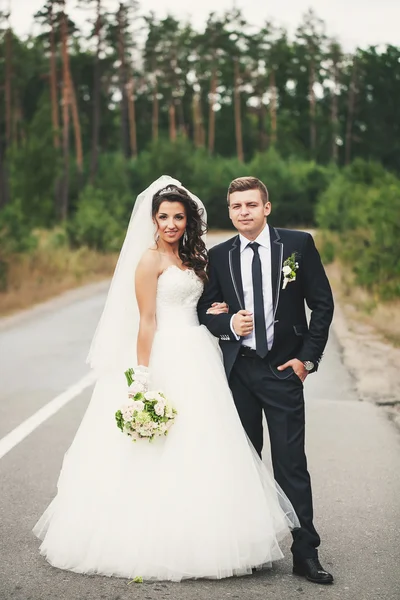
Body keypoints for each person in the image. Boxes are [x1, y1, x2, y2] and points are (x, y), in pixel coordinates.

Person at [33, 176, 299, 583]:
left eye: (178, 216)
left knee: (205, 443)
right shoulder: (149, 260)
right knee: (158, 448)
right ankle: (152, 540)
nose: (171, 224)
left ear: (188, 220)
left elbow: (206, 304)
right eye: (163, 217)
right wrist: (142, 378)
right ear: (153, 220)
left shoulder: (195, 258)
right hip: (165, 355)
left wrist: (219, 310)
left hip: (200, 355)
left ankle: (213, 533)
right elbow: (146, 321)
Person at [198, 176, 334, 585]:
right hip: (238, 371)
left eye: (251, 205)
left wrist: (306, 361)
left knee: (291, 464)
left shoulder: (297, 245)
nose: (244, 212)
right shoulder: (219, 256)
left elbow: (322, 304)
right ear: (230, 211)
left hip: (281, 370)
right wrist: (227, 323)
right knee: (246, 461)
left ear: (266, 207)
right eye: (236, 206)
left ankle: (305, 553)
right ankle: (254, 547)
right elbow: (204, 307)